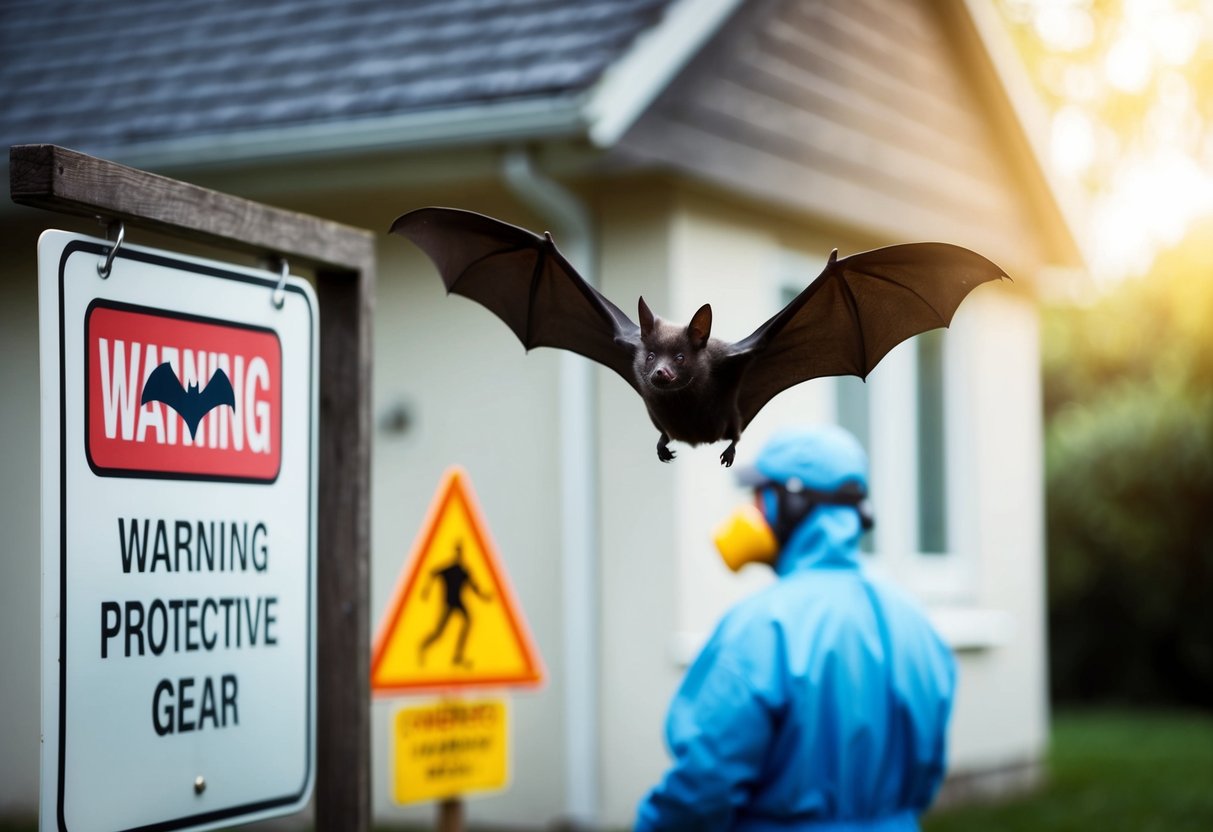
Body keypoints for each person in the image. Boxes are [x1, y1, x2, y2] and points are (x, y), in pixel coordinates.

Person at [635, 424, 957, 832]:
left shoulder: (761, 627)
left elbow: (703, 786)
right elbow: (927, 774)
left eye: (760, 496)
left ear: (790, 504)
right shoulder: (916, 624)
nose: (751, 511)